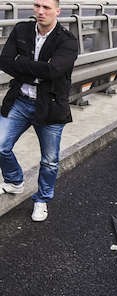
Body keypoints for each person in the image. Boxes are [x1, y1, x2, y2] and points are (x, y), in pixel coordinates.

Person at [0, 0, 78, 222]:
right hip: (20, 100)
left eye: (46, 7)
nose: (40, 11)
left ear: (57, 11)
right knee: (1, 146)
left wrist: (21, 64)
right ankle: (14, 181)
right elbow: (4, 61)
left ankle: (42, 199)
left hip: (50, 106)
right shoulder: (21, 29)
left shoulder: (67, 41)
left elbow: (54, 70)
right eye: (37, 5)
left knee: (50, 160)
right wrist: (37, 73)